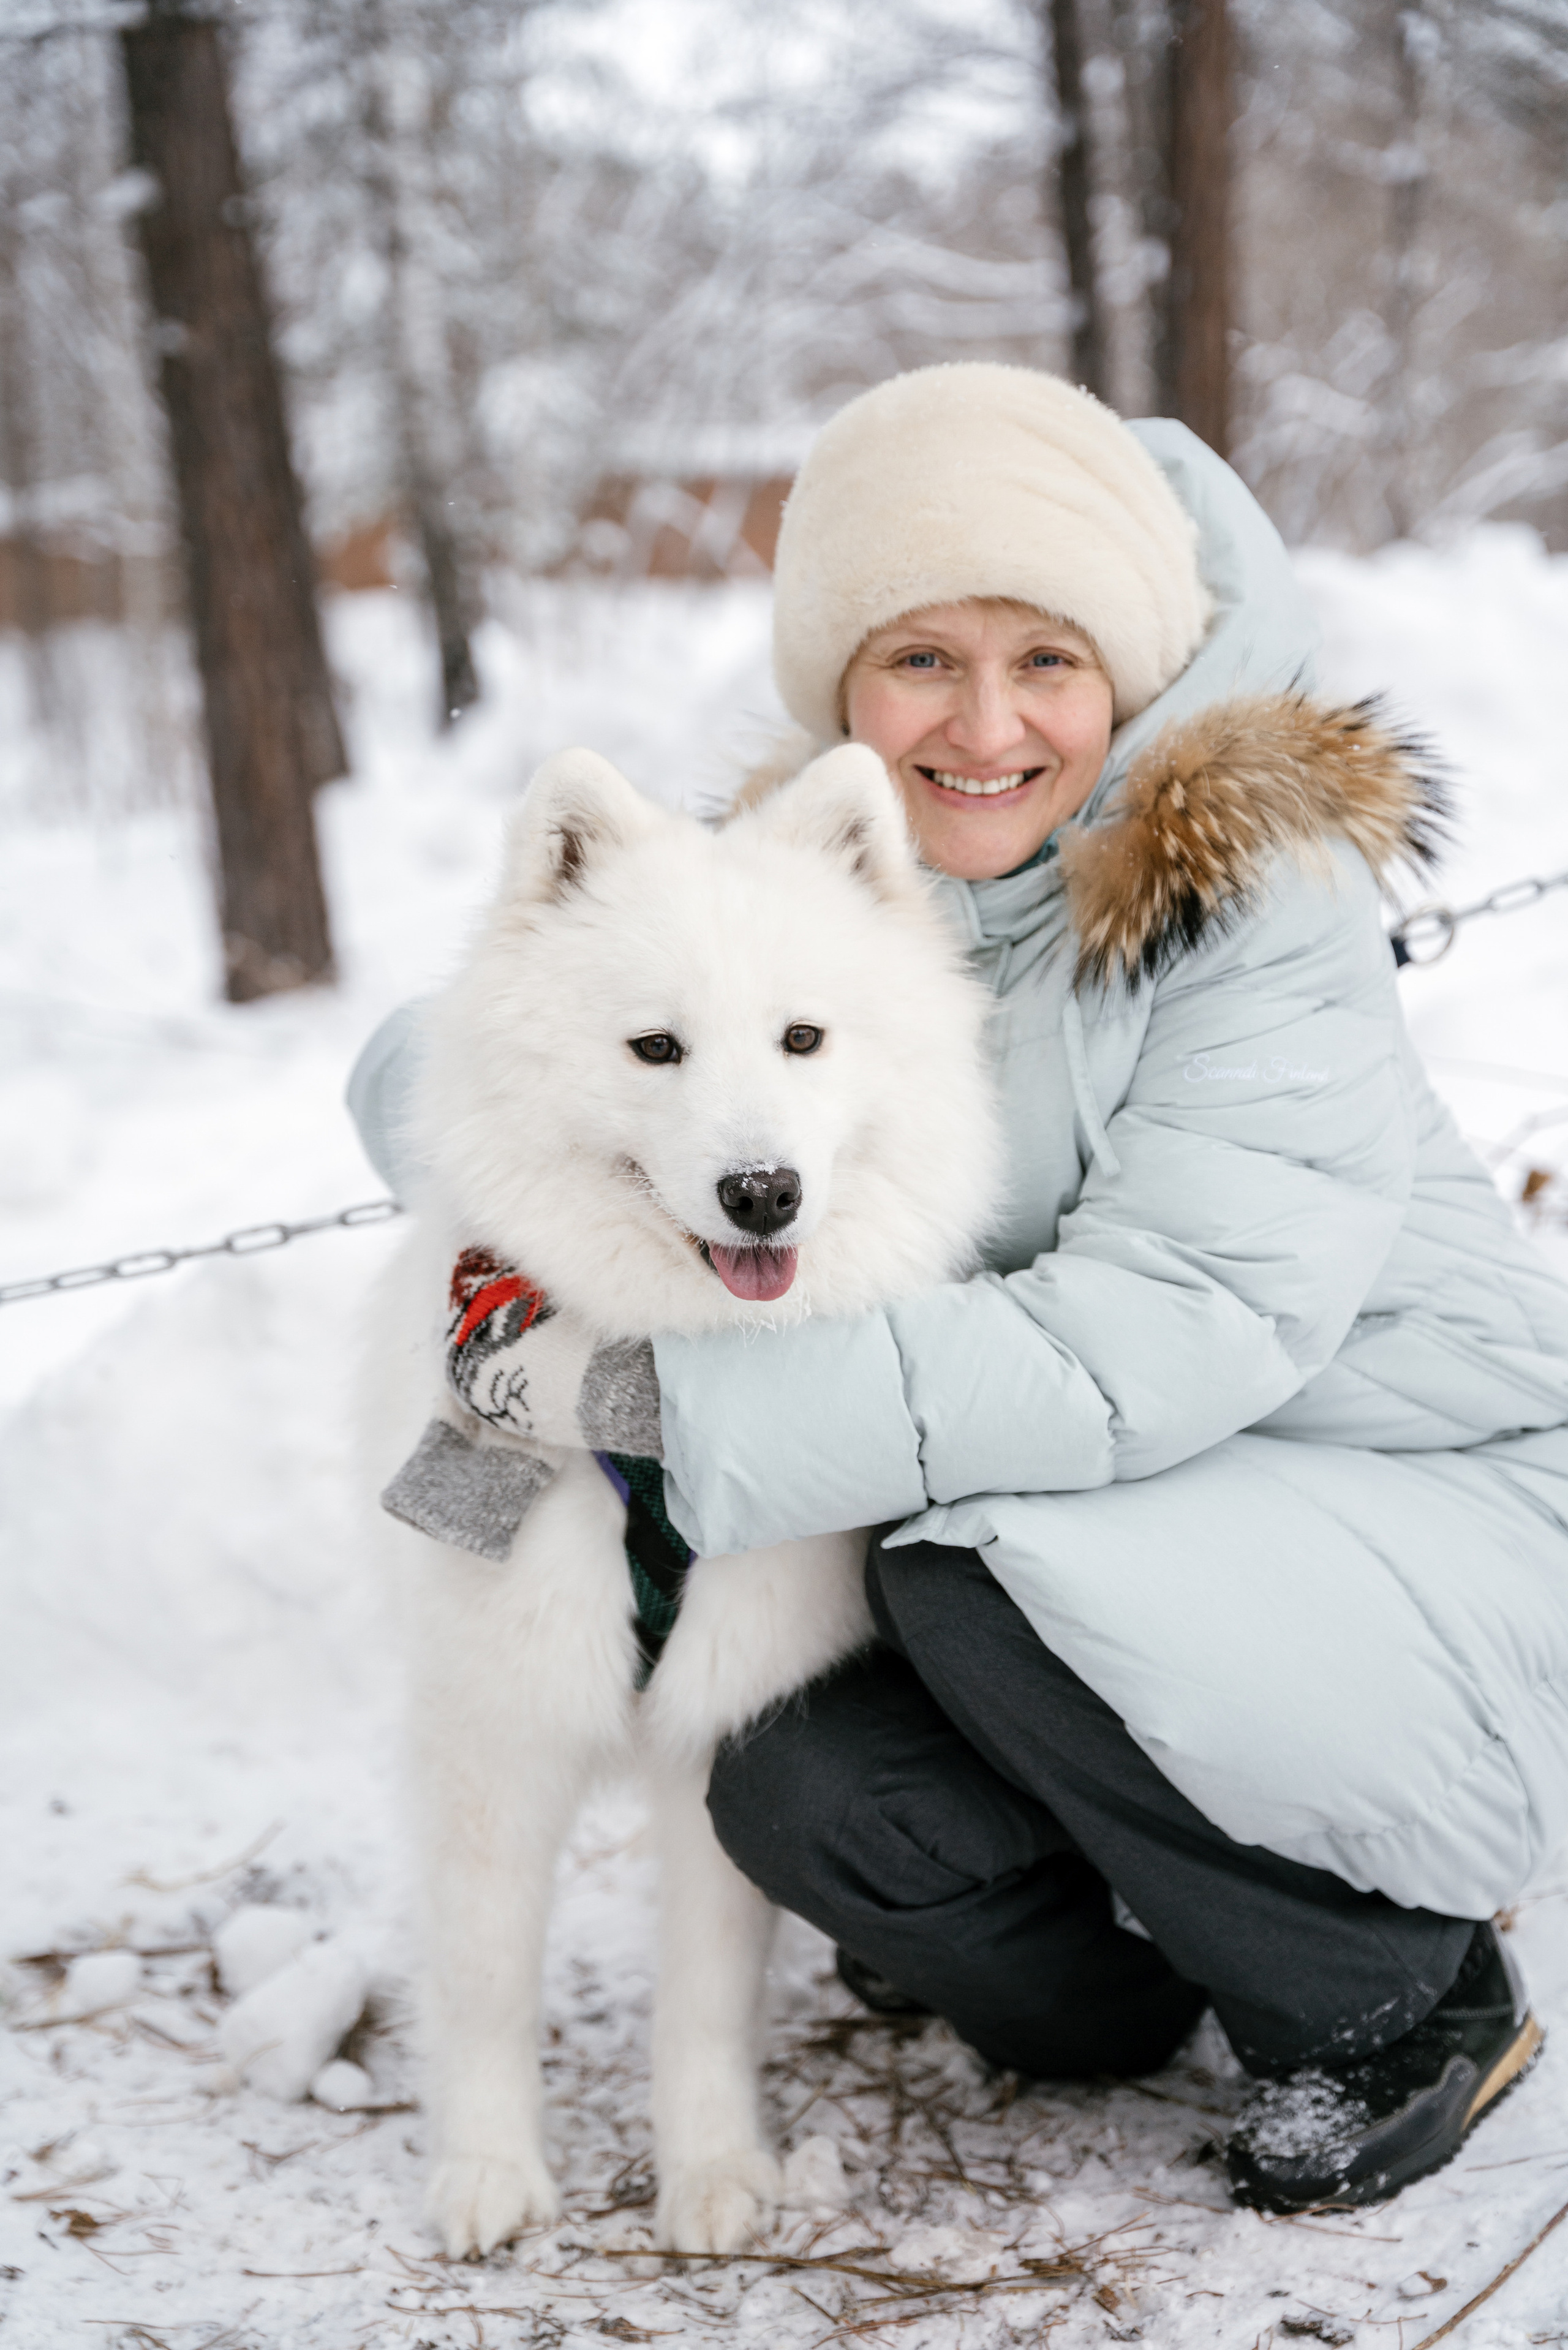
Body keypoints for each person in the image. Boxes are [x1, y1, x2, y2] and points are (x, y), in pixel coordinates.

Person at [350, 364, 1568, 2213]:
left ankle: (1395, 1992)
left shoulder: (1260, 907)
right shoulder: (828, 875)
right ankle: (1112, 1991)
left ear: (1134, 673)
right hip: (1102, 1528)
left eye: (1049, 661)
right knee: (790, 1775)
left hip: (1394, 1509)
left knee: (966, 1567)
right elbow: (548, 1032)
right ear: (842, 682)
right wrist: (486, 1164)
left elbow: (1158, 1343)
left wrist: (639, 1404)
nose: (984, 723)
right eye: (922, 657)